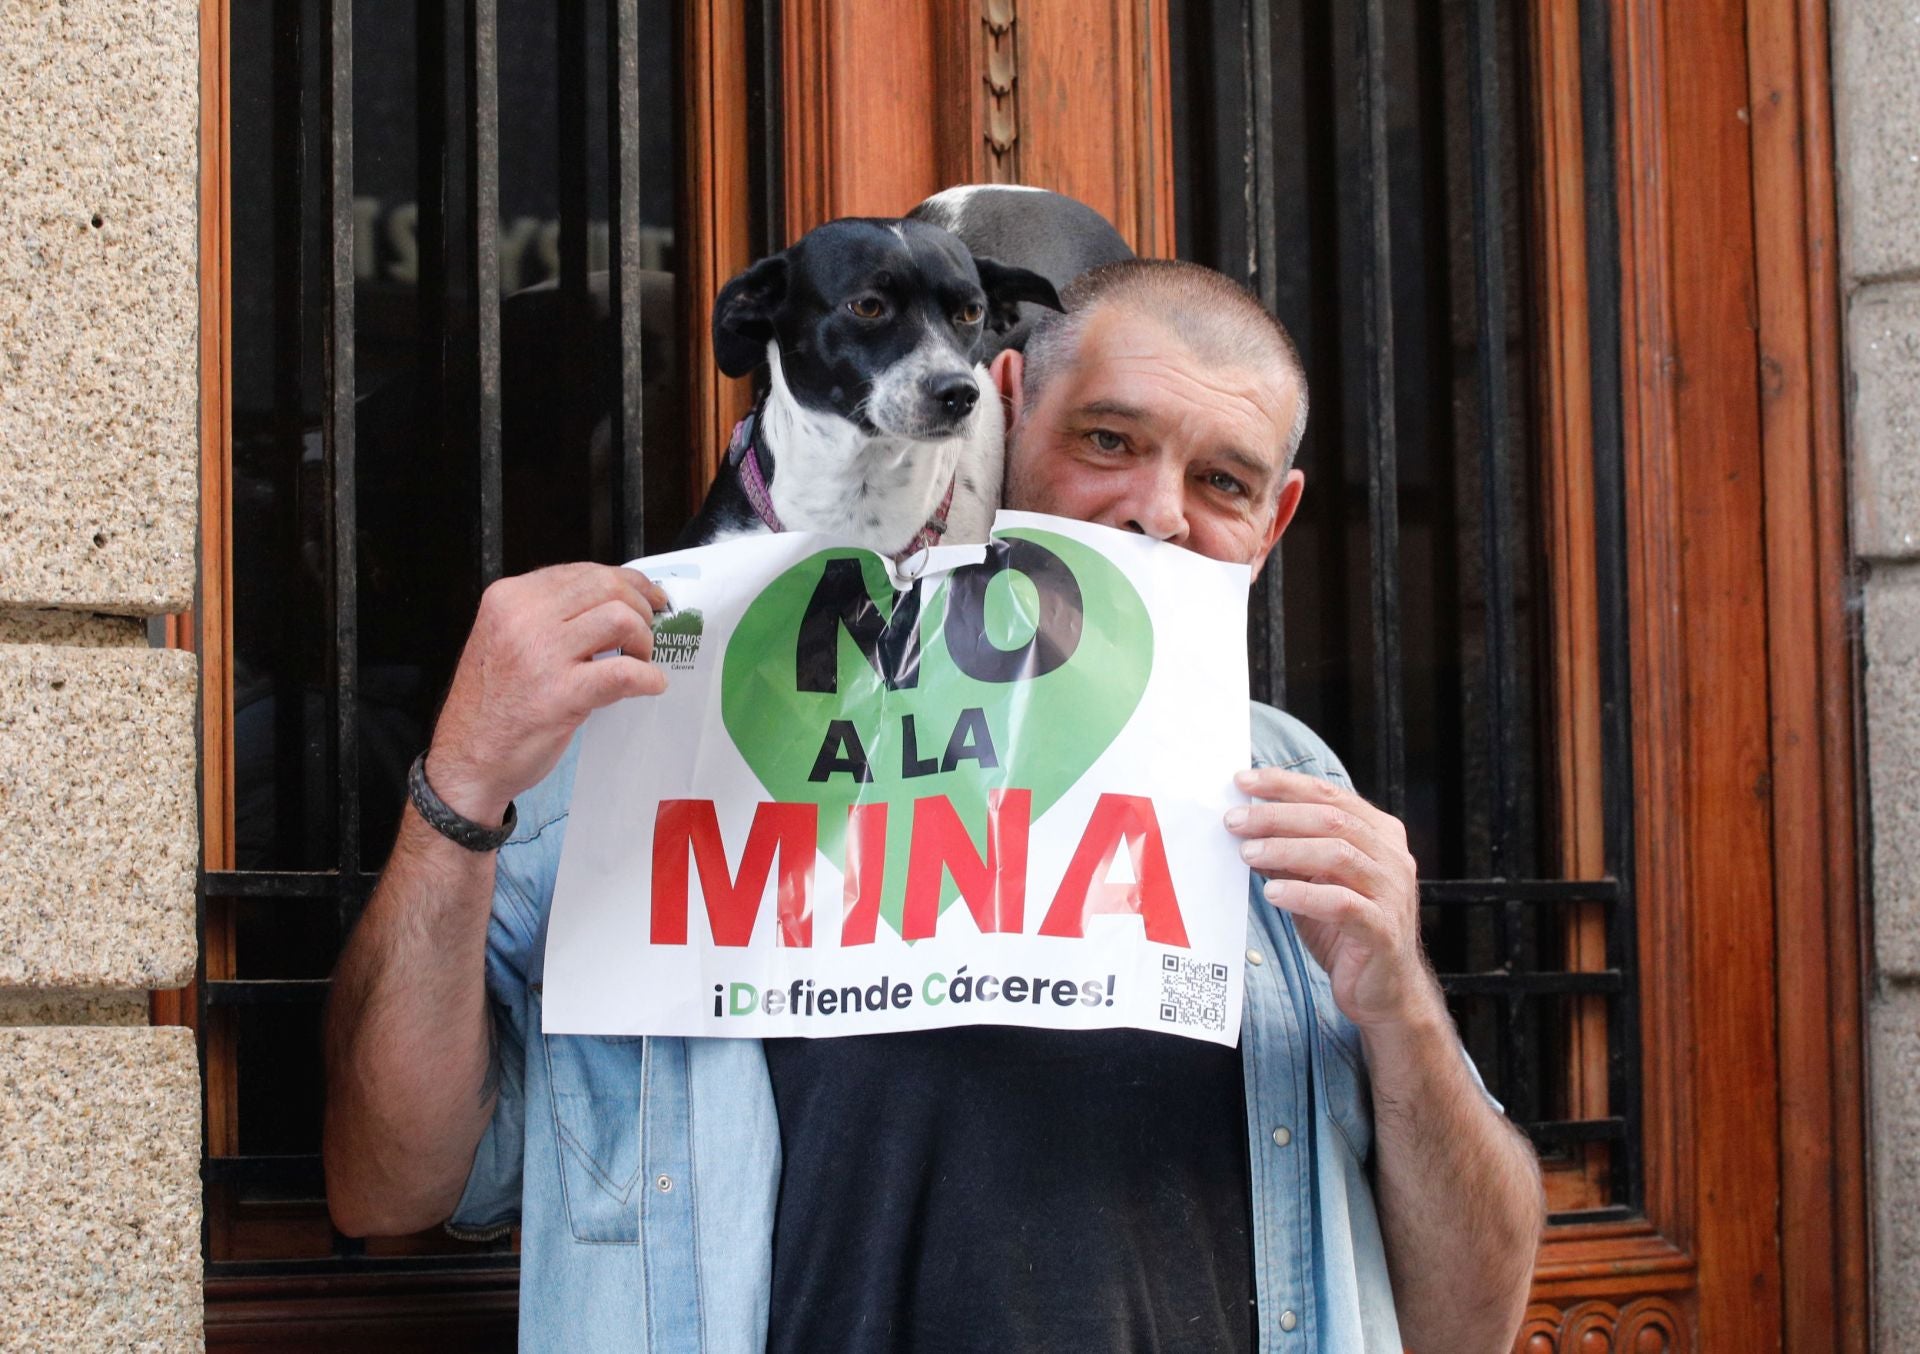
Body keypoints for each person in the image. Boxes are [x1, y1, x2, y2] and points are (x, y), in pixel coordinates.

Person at [323, 258, 1545, 1353]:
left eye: (1222, 479)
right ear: (1006, 412)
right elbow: (391, 1186)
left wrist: (1404, 1010)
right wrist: (464, 786)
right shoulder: (649, 752)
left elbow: (1469, 1323)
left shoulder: (1287, 787)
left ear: (1272, 522)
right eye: (1110, 441)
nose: (1158, 513)